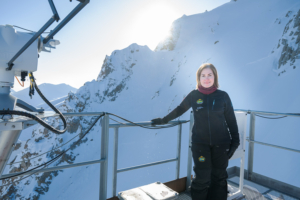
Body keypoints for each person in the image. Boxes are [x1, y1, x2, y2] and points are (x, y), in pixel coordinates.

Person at [151, 63, 240, 200]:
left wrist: (235, 143)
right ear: (198, 78)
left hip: (221, 145)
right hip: (200, 145)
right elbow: (180, 109)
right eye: (203, 75)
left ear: (215, 76)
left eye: (209, 75)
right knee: (202, 178)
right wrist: (164, 120)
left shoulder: (223, 96)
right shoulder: (194, 95)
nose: (206, 78)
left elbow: (231, 120)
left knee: (219, 178)